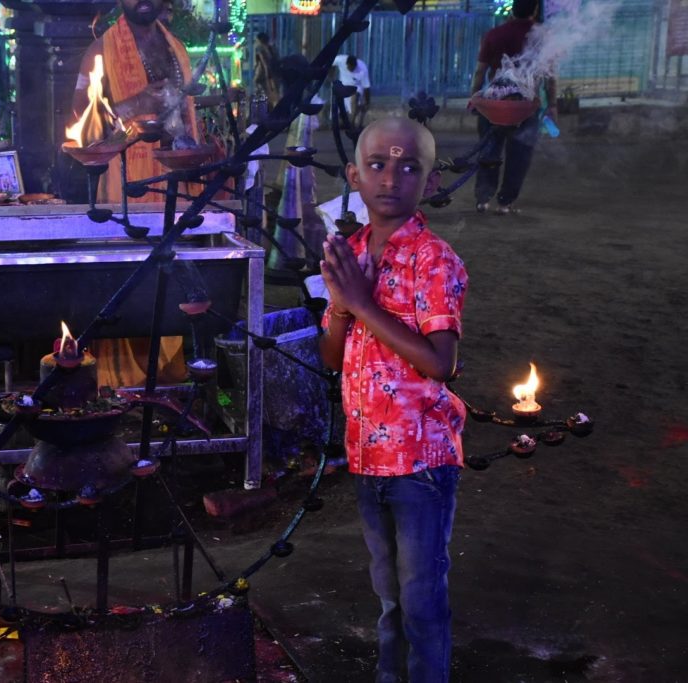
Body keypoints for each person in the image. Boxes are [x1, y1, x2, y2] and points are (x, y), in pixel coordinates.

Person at [318, 118, 468, 683]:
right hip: (367, 455)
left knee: (421, 598)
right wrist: (340, 304)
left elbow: (440, 362)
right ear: (354, 175)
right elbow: (331, 356)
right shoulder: (350, 251)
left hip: (420, 461)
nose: (391, 178)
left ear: (428, 183)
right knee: (389, 596)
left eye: (409, 167)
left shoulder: (434, 260)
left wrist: (360, 301)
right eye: (377, 164)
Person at [72, 0, 194, 388]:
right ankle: (120, 389)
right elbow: (80, 134)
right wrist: (134, 105)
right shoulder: (100, 51)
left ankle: (168, 384)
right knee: (132, 289)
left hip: (177, 190)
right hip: (127, 194)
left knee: (176, 288)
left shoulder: (177, 48)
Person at [470, 0, 557, 215]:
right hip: (525, 107)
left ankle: (483, 199)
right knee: (520, 155)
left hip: (494, 105)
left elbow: (480, 71)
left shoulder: (494, 34)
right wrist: (552, 105)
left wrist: (474, 96)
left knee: (489, 150)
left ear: (512, 9)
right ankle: (505, 203)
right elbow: (551, 76)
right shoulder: (543, 38)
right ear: (535, 10)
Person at [332, 54, 371, 130]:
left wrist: (367, 102)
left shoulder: (362, 69)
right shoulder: (340, 60)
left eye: (352, 68)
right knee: (339, 101)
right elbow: (330, 63)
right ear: (346, 64)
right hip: (343, 85)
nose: (350, 69)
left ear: (355, 66)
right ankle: (341, 121)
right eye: (348, 67)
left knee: (354, 99)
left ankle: (351, 123)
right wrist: (331, 76)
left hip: (356, 87)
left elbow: (366, 87)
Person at [253, 32, 280, 106]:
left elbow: (264, 63)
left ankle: (266, 107)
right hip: (275, 73)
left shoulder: (260, 49)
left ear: (260, 41)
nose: (255, 42)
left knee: (264, 93)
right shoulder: (272, 48)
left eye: (256, 40)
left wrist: (267, 74)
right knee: (274, 93)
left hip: (264, 74)